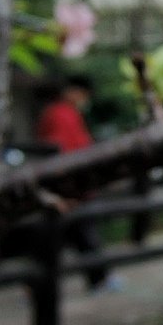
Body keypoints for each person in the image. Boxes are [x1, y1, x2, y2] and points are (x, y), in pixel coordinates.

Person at [36, 75, 122, 292]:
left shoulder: (65, 113)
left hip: (74, 187)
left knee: (74, 238)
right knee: (81, 236)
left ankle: (97, 280)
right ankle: (98, 280)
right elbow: (63, 151)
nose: (84, 99)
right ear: (74, 92)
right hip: (72, 188)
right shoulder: (60, 114)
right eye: (83, 95)